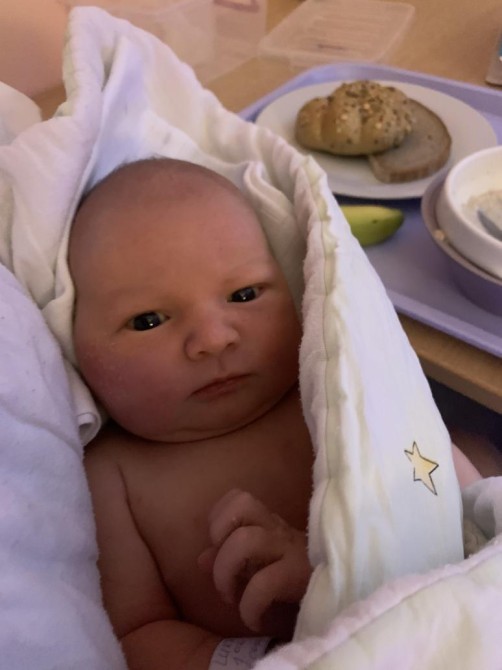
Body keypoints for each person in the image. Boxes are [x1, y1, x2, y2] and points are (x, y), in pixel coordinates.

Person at [69, 157, 481, 670]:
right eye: (148, 320)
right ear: (73, 343)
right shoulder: (112, 475)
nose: (214, 338)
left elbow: (447, 497)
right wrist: (269, 657)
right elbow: (137, 634)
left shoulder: (334, 386)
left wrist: (342, 575)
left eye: (244, 295)